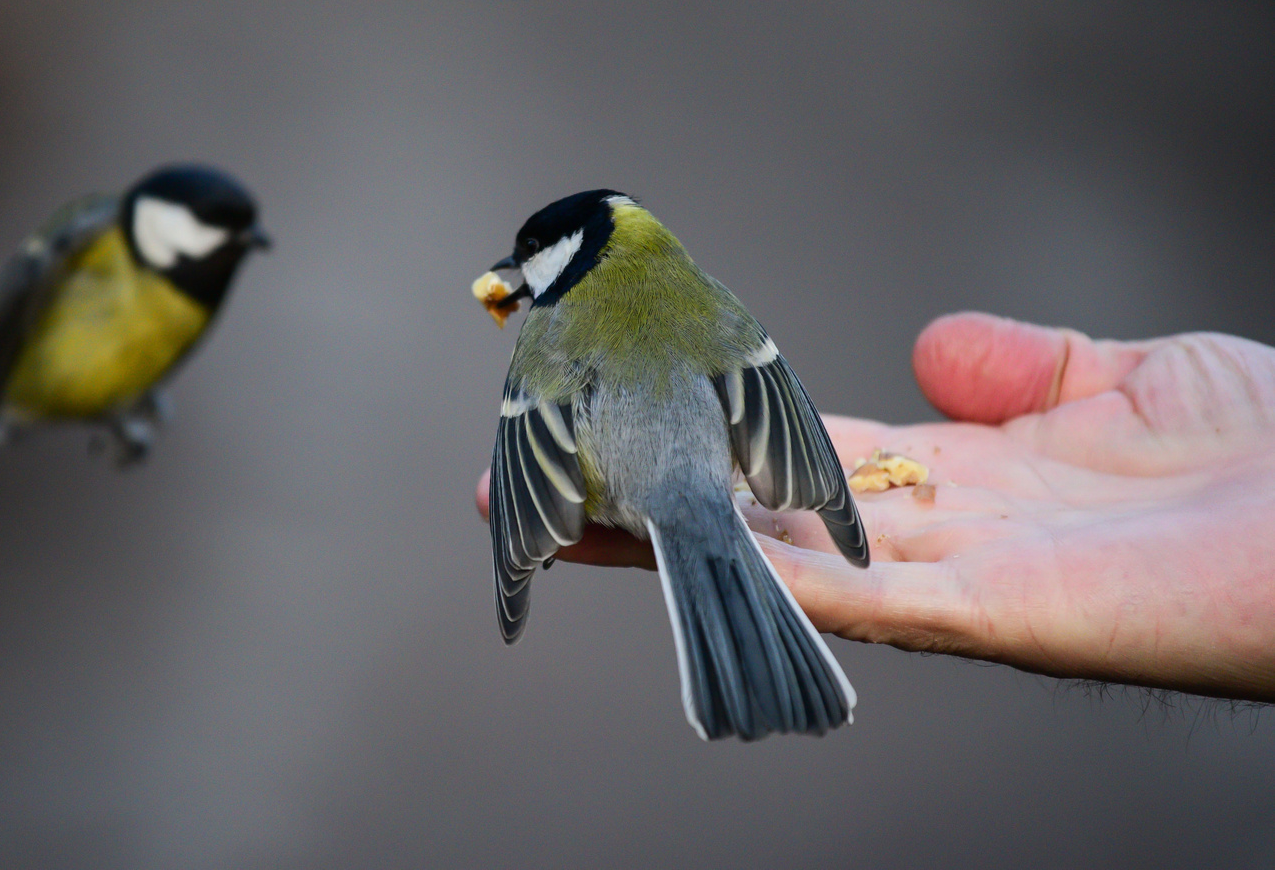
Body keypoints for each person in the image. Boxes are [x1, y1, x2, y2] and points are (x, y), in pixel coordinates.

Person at [475, 312, 1275, 702]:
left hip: (630, 491)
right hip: (713, 480)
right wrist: (822, 496)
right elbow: (766, 391)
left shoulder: (544, 338)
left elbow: (529, 452)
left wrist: (528, 540)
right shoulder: (696, 303)